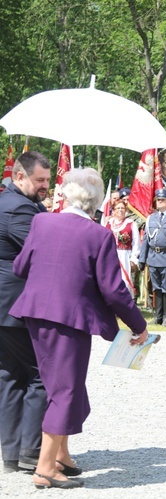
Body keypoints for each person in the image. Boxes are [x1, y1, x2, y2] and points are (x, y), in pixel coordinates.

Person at [9, 168, 148, 489]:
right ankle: (45, 469)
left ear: (67, 194)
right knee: (67, 390)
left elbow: (20, 266)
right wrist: (138, 326)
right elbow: (114, 290)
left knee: (62, 385)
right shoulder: (98, 235)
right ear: (96, 201)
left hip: (34, 313)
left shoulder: (41, 221)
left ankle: (62, 455)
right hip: (68, 320)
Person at [0, 151, 50, 473]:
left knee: (9, 376)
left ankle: (11, 453)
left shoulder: (10, 202)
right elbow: (42, 252)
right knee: (39, 376)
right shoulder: (19, 208)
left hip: (5, 308)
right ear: (20, 176)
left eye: (48, 179)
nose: (46, 185)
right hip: (14, 308)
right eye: (40, 180)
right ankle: (31, 451)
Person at [138, 188, 166, 327]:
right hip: (153, 257)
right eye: (158, 200)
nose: (159, 202)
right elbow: (146, 240)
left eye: (162, 200)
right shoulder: (151, 218)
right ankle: (157, 316)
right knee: (156, 288)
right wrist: (141, 259)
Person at [105, 199, 141, 298]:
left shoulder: (131, 224)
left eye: (122, 208)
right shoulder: (108, 223)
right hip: (110, 257)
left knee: (124, 281)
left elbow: (136, 243)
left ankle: (125, 306)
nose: (120, 210)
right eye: (118, 208)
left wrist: (133, 259)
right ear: (113, 210)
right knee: (111, 280)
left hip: (125, 256)